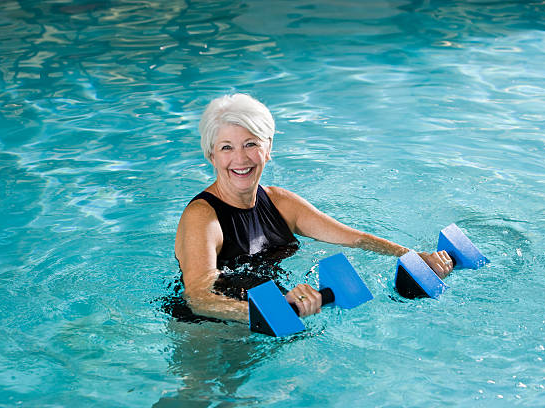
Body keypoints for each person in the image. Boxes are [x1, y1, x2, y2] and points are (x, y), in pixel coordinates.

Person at [175, 93, 454, 323]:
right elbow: (198, 298)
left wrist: (415, 258)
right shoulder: (202, 216)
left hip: (273, 321)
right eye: (226, 148)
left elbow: (354, 238)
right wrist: (271, 312)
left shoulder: (280, 203)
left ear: (268, 148)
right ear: (211, 155)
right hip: (206, 330)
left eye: (250, 144)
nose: (240, 158)